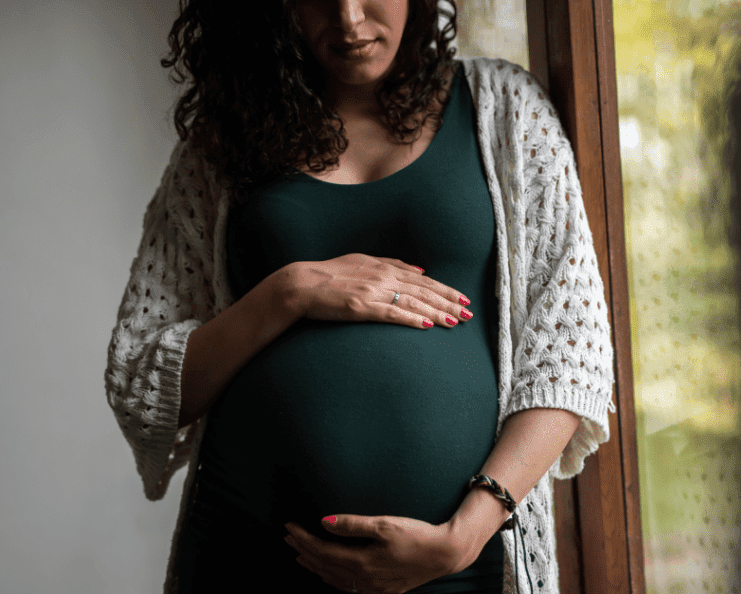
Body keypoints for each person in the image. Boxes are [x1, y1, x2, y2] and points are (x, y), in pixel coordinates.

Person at [104, 1, 617, 593]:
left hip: (458, 566)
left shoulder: (504, 106)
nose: (348, 18)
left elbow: (570, 351)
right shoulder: (225, 143)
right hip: (246, 558)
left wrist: (467, 534)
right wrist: (290, 291)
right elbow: (141, 378)